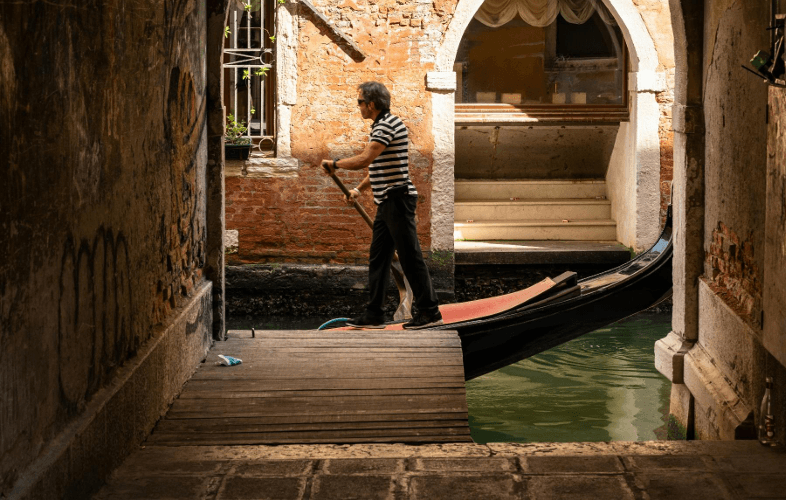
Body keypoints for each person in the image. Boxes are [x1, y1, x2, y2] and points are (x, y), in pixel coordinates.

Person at [321, 81, 442, 329]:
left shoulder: (388, 125)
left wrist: (335, 163)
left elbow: (365, 160)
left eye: (360, 102)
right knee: (378, 258)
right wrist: (358, 189)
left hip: (398, 199)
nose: (359, 107)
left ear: (371, 104)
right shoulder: (381, 126)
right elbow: (377, 167)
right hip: (387, 201)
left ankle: (430, 312)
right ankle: (375, 313)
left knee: (410, 257)